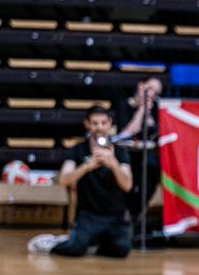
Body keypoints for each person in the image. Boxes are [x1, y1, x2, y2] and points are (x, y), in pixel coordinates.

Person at [27, 107, 133, 258]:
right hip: (88, 215)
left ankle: (96, 243)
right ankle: (55, 243)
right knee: (75, 249)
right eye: (95, 123)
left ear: (110, 123)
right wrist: (87, 166)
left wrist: (113, 164)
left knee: (121, 250)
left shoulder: (120, 153)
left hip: (114, 216)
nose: (99, 127)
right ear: (87, 124)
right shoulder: (77, 150)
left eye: (103, 123)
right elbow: (63, 180)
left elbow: (127, 185)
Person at [114, 76, 162, 227]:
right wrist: (142, 110)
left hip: (145, 156)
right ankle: (127, 214)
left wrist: (149, 114)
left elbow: (156, 133)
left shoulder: (155, 109)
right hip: (126, 154)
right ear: (141, 86)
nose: (152, 94)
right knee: (127, 178)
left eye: (156, 92)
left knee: (152, 173)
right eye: (150, 88)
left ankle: (134, 214)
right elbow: (126, 133)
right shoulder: (124, 105)